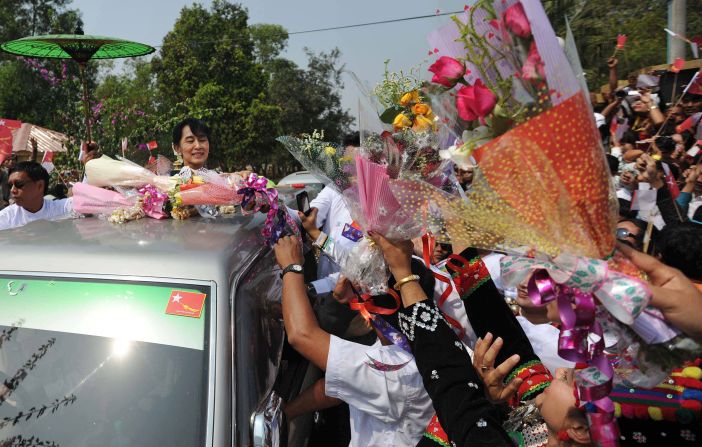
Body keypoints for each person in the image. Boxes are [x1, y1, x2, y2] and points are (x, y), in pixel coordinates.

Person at [272, 235, 435, 447]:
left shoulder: (398, 368)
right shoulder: (410, 340)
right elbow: (338, 387)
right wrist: (287, 413)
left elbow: (302, 335)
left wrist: (291, 267)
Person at [0, 161, 73, 231]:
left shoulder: (64, 208)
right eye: (10, 186)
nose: (12, 190)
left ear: (40, 186)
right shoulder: (5, 218)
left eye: (19, 184)